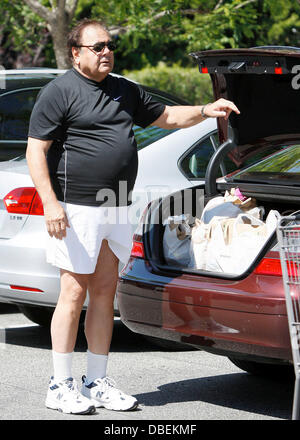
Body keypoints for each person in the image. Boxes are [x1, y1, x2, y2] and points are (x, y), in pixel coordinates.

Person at [26, 18, 240, 415]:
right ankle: (60, 385)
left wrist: (207, 110)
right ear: (76, 53)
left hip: (118, 203)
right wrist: (51, 204)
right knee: (73, 293)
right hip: (76, 207)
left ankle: (96, 381)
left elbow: (168, 117)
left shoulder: (123, 89)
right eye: (97, 46)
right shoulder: (59, 92)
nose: (107, 51)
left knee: (106, 290)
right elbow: (35, 151)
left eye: (109, 45)